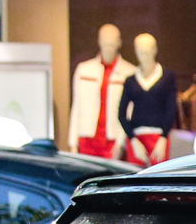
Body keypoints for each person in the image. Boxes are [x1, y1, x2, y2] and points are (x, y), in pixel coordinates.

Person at [70, 23, 133, 160]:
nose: (109, 48)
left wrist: (121, 142)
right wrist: (73, 143)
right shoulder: (84, 69)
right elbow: (77, 106)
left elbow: (129, 112)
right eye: (105, 43)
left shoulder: (129, 73)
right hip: (87, 138)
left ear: (119, 43)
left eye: (112, 44)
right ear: (99, 42)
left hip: (113, 139)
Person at [118, 32, 179, 166]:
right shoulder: (131, 81)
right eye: (140, 52)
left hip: (159, 137)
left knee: (159, 179)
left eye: (147, 52)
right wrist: (133, 139)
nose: (144, 56)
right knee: (136, 179)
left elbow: (171, 109)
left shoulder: (167, 77)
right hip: (137, 138)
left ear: (155, 50)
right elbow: (121, 114)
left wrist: (163, 138)